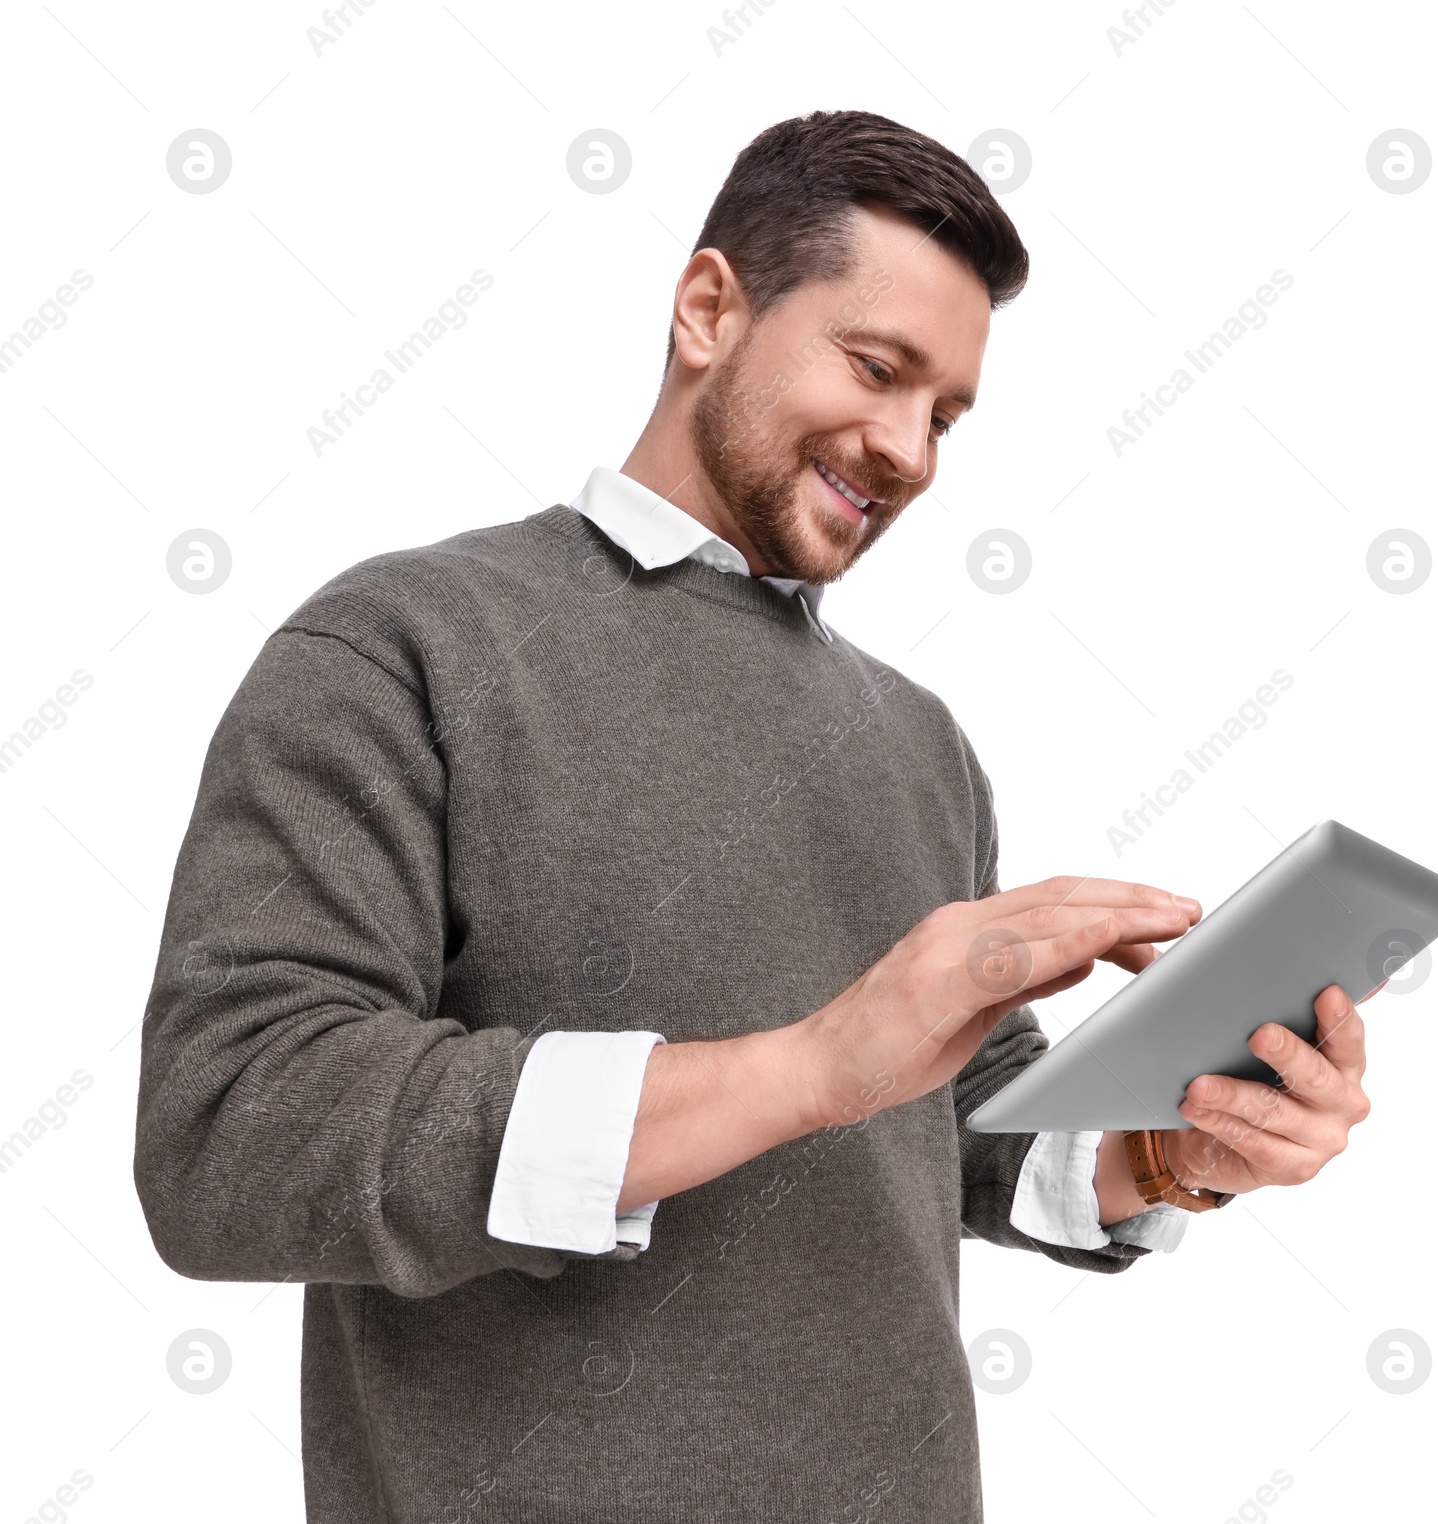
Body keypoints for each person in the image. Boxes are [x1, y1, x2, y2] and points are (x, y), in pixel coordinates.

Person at [133, 108, 1371, 1522]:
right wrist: (807, 1067)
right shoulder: (404, 644)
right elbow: (230, 1139)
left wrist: (1171, 1150)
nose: (907, 447)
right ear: (710, 309)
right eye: (877, 368)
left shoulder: (924, 743)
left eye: (946, 414)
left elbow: (953, 1125)